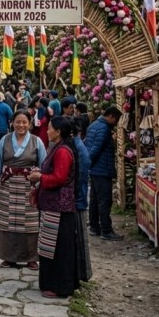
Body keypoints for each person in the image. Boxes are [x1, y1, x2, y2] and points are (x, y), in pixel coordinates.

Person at [27, 116, 85, 299]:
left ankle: (60, 285)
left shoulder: (62, 152)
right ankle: (51, 282)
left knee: (59, 249)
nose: (47, 131)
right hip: (52, 206)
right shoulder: (57, 148)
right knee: (49, 246)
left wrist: (40, 178)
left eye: (50, 128)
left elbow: (60, 178)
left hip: (60, 208)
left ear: (58, 131)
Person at [0, 110, 46, 269]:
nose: (21, 125)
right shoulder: (5, 140)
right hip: (8, 186)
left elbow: (44, 165)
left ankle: (31, 257)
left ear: (29, 124)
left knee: (30, 222)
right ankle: (9, 257)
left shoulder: (37, 142)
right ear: (12, 123)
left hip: (29, 187)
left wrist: (42, 183)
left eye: (24, 122)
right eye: (18, 122)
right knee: (8, 221)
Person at [85, 105, 124, 241]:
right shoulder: (105, 129)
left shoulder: (93, 125)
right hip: (102, 170)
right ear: (112, 117)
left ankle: (95, 227)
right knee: (104, 201)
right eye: (117, 119)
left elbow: (88, 146)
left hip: (95, 170)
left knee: (95, 200)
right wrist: (89, 163)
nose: (117, 123)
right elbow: (95, 149)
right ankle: (106, 230)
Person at [70, 118, 92, 281]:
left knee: (78, 239)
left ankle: (80, 275)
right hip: (77, 199)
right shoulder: (76, 146)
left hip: (77, 200)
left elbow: (79, 177)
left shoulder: (77, 149)